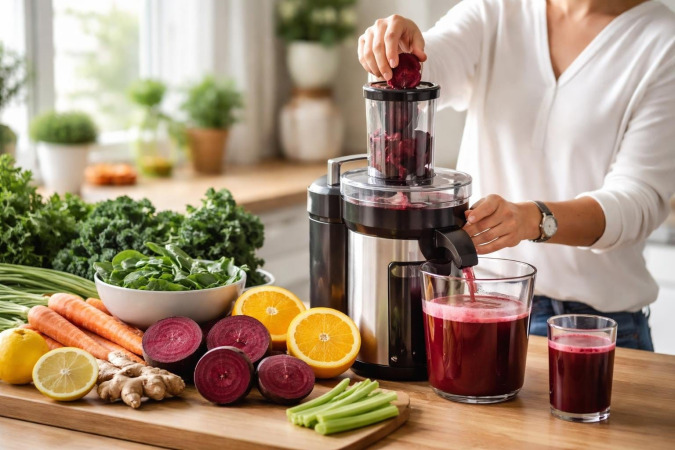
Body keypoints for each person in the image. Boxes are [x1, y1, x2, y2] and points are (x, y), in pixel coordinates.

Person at [357, 0, 675, 350]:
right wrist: (396, 49)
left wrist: (533, 219)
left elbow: (638, 201)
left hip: (596, 329)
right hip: (478, 305)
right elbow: (433, 63)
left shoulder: (662, 42)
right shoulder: (496, 10)